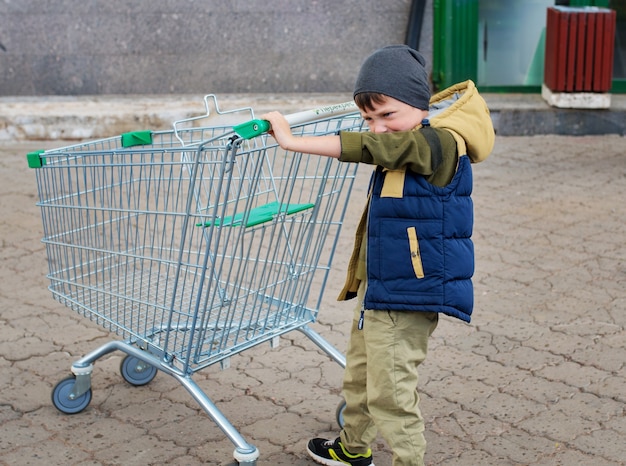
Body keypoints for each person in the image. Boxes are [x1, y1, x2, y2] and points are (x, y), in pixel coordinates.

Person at [262, 45, 494, 466]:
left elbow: (378, 149)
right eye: (369, 119)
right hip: (381, 287)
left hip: (410, 292)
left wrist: (292, 142)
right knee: (361, 377)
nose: (378, 128)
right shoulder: (410, 138)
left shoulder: (437, 143)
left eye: (388, 115)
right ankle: (352, 448)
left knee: (390, 392)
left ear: (420, 106)